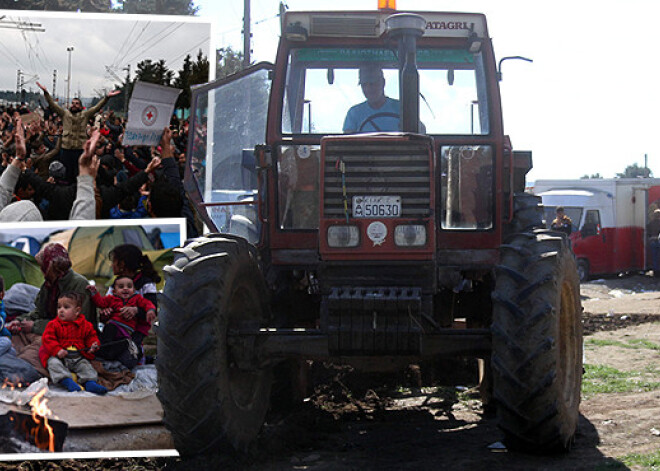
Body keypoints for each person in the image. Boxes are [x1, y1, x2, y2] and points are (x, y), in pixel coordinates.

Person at [37, 81, 120, 184]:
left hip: (79, 151)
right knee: (66, 174)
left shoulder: (85, 115)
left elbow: (97, 107)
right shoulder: (64, 114)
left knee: (78, 174)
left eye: (77, 104)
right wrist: (46, 92)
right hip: (66, 150)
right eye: (73, 103)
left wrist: (107, 97)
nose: (74, 105)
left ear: (81, 106)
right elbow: (52, 105)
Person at [102, 244, 161, 365]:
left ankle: (140, 356)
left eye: (114, 262)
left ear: (122, 264)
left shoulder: (146, 283)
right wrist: (106, 312)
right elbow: (106, 305)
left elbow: (152, 309)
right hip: (116, 326)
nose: (111, 265)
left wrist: (136, 310)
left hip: (136, 330)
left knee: (128, 357)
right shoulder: (115, 284)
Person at [38, 292, 107, 394]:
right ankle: (67, 381)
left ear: (77, 311)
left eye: (66, 307)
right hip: (59, 356)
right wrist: (57, 350)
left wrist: (93, 345)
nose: (61, 310)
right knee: (53, 364)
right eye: (59, 307)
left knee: (86, 367)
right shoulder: (53, 324)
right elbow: (48, 339)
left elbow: (91, 337)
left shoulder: (85, 325)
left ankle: (89, 383)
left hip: (78, 356)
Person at [86, 276, 156, 368]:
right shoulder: (111, 299)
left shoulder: (137, 299)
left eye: (129, 286)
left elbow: (147, 303)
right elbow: (100, 302)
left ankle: (102, 351)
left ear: (134, 290)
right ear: (114, 291)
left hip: (126, 330)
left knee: (114, 333)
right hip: (114, 326)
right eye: (121, 287)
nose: (125, 288)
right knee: (110, 333)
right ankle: (102, 351)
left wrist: (150, 310)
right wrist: (94, 292)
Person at [343, 65, 400, 133]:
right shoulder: (354, 113)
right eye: (364, 85)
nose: (368, 89)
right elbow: (347, 141)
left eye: (372, 84)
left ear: (383, 83)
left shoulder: (401, 109)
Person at [647, 208, 660, 276]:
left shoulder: (650, 223)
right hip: (658, 240)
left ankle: (656, 271)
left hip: (652, 241)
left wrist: (650, 238)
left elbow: (648, 232)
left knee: (654, 257)